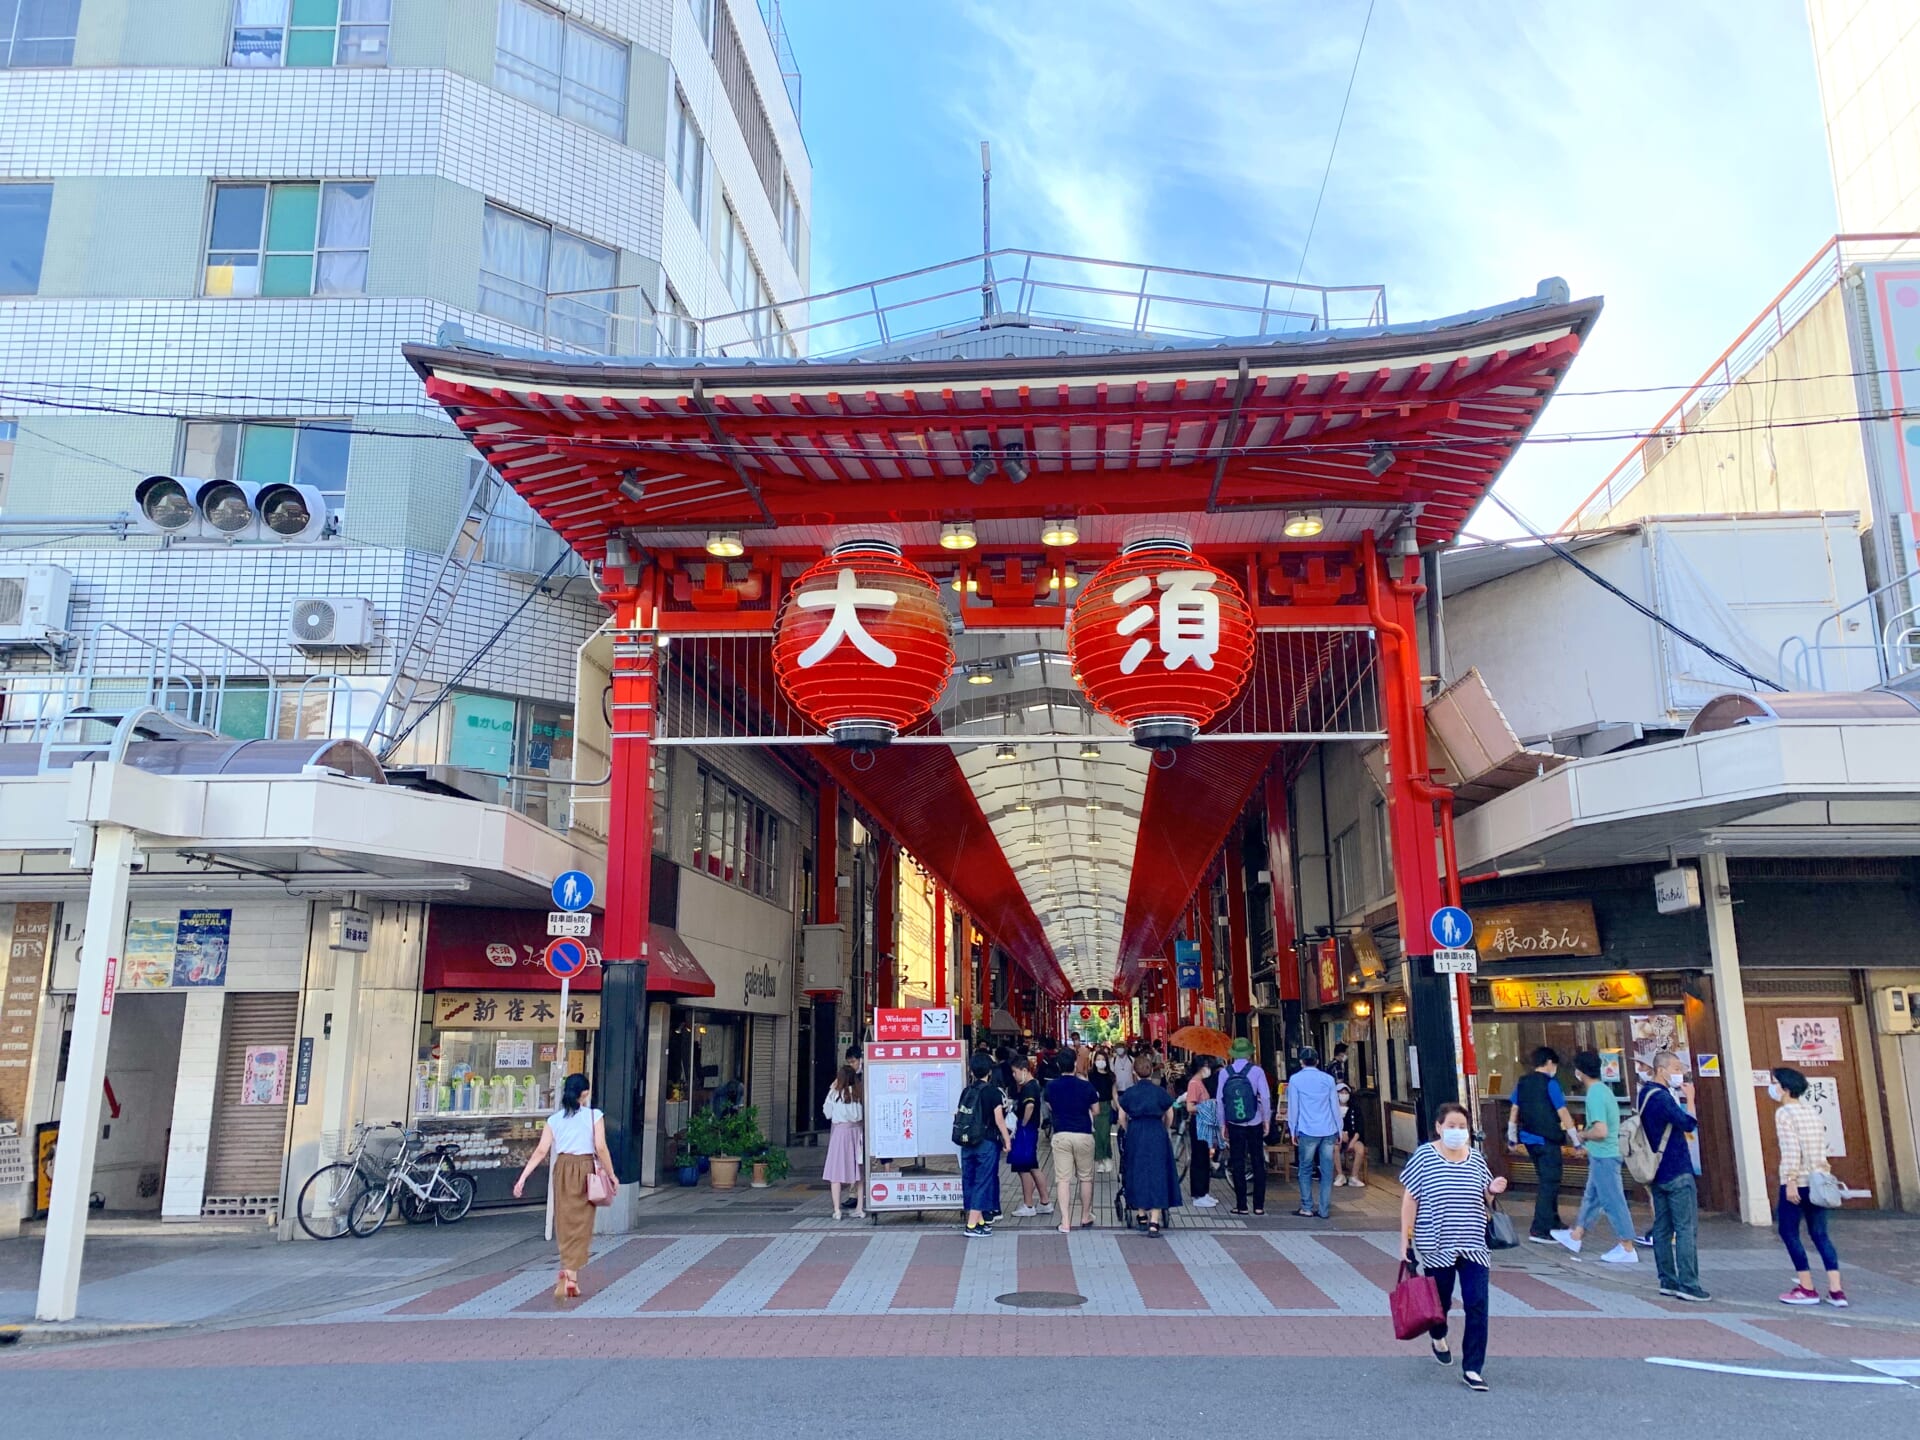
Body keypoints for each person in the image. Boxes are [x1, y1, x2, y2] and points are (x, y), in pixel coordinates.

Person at [1399, 1101, 1509, 1393]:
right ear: (1439, 1127)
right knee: (1441, 1303)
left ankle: (1473, 1368)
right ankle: (1438, 1334)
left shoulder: (1476, 1158)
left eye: (1462, 1126)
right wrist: (1405, 1240)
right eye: (1451, 1126)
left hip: (1474, 1243)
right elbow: (1410, 1199)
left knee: (1477, 1303)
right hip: (1437, 1244)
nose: (1457, 1131)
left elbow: (1486, 1196)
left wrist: (1492, 1190)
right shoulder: (1424, 1157)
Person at [512, 1072, 616, 1301]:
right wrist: (611, 1174)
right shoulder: (594, 1116)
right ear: (585, 1093)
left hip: (562, 1169)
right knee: (582, 1224)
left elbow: (541, 1151)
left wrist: (522, 1178)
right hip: (586, 1168)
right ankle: (570, 1274)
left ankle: (571, 1277)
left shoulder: (554, 1120)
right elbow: (601, 1147)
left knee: (565, 1221)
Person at [1770, 1067, 1847, 1307]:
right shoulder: (1811, 1112)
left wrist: (1790, 1180)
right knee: (1820, 1234)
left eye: (1774, 1083)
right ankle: (1836, 1290)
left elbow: (1792, 1149)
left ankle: (1806, 1287)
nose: (1772, 1087)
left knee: (1788, 1231)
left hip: (1798, 1183)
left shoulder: (1784, 1114)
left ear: (1785, 1088)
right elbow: (1819, 1147)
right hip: (1818, 1180)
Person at [1551, 1051, 1637, 1265]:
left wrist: (1583, 1135)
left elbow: (1601, 1131)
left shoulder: (1595, 1095)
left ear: (1579, 1072)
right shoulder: (1603, 1090)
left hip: (1605, 1155)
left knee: (1613, 1201)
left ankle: (1627, 1246)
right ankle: (1576, 1236)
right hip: (1604, 1154)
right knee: (1592, 1198)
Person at [1639, 1049, 1708, 1301]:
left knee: (1662, 1228)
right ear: (1661, 1070)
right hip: (1677, 1169)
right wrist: (1690, 1099)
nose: (1681, 1074)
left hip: (1656, 1171)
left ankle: (1667, 1280)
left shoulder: (1645, 1094)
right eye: (1676, 1069)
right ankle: (1689, 1284)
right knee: (1685, 1228)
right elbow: (1688, 1123)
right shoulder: (1662, 1098)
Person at [1505, 1047, 1579, 1242]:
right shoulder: (1550, 1083)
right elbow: (1562, 1112)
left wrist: (1511, 1137)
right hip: (1547, 1139)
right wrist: (1576, 1141)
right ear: (1549, 1062)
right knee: (1550, 1183)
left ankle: (1554, 1220)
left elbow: (1514, 1110)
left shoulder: (1523, 1082)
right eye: (1554, 1065)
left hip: (1529, 1140)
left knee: (1546, 1180)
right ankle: (1540, 1228)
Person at [1117, 1053, 1181, 1236]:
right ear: (1152, 1071)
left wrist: (1129, 1129)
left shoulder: (1129, 1093)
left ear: (1134, 1073)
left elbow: (1121, 1117)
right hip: (1156, 1132)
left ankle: (1141, 1214)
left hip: (1136, 1132)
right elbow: (1170, 1115)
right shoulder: (1159, 1092)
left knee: (1137, 1170)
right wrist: (1164, 1128)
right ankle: (1154, 1220)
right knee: (1158, 1172)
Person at [958, 1052, 1012, 1237]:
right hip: (986, 1142)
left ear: (972, 1071)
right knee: (983, 1181)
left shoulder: (966, 1091)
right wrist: (1007, 1140)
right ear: (989, 1071)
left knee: (970, 1180)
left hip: (967, 1142)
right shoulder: (992, 1092)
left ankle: (980, 1221)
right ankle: (971, 1225)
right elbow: (999, 1120)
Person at [1218, 1038, 1273, 1216]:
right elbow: (1265, 1097)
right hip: (1255, 1121)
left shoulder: (1224, 1073)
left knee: (1238, 1162)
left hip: (1234, 1123)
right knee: (1258, 1161)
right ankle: (1259, 1206)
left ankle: (1241, 1205)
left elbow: (1220, 1101)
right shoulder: (1257, 1071)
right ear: (1249, 1054)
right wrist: (1266, 1119)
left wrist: (1222, 1124)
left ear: (1233, 1054)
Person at [1046, 1048, 1100, 1231]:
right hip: (1083, 1134)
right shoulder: (1086, 1086)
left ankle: (1065, 1222)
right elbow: (1096, 1110)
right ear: (1075, 1064)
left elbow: (1049, 1106)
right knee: (1085, 1178)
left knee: (1063, 1179)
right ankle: (1085, 1216)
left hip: (1061, 1134)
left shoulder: (1051, 1086)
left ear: (1058, 1065)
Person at [1288, 1046, 1341, 1219]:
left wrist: (1292, 1129)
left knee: (1305, 1169)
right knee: (1327, 1170)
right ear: (1317, 1061)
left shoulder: (1295, 1080)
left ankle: (1307, 1207)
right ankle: (1324, 1209)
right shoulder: (1328, 1079)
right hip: (1328, 1129)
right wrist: (1339, 1129)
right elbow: (1335, 1106)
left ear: (1301, 1062)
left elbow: (1293, 1108)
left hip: (1307, 1129)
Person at [1008, 1055, 1055, 1217]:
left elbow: (1029, 1106)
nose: (1013, 1075)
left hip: (1026, 1131)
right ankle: (1045, 1202)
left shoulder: (1029, 1087)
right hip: (1030, 1130)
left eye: (1015, 1072)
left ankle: (1028, 1204)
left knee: (1024, 1168)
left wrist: (1022, 1124)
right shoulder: (1033, 1085)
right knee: (1033, 1166)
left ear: (1024, 1070)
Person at [821, 1064, 865, 1220]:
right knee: (859, 1172)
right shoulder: (860, 1093)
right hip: (857, 1132)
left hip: (840, 1133)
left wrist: (832, 1089)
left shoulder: (836, 1093)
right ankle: (860, 1208)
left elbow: (827, 1113)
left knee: (836, 1172)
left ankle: (837, 1210)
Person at [1184, 1056, 1221, 1208]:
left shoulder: (1201, 1083)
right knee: (1199, 1158)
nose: (1208, 1069)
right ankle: (1198, 1194)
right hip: (1198, 1123)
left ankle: (1204, 1192)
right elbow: (1190, 1107)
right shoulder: (1194, 1083)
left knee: (1205, 1158)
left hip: (1205, 1123)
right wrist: (1207, 1106)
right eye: (1207, 1066)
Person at [1334, 1082, 1368, 1187]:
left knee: (1360, 1148)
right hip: (1337, 1138)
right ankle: (1340, 1175)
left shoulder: (1355, 1108)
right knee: (1334, 1147)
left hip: (1353, 1138)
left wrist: (1353, 1141)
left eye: (1346, 1093)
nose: (1344, 1095)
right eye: (1341, 1093)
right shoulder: (1332, 1108)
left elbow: (1360, 1127)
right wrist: (1339, 1134)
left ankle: (1354, 1176)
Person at [1090, 1046, 1118, 1173]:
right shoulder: (1091, 1075)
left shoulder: (1111, 1076)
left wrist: (1118, 1107)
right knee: (1096, 1135)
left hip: (1106, 1107)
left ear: (1106, 1061)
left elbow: (1114, 1093)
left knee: (1105, 1134)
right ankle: (1099, 1161)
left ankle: (1107, 1157)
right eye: (1098, 1059)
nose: (1100, 1061)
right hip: (1093, 1107)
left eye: (1102, 1059)